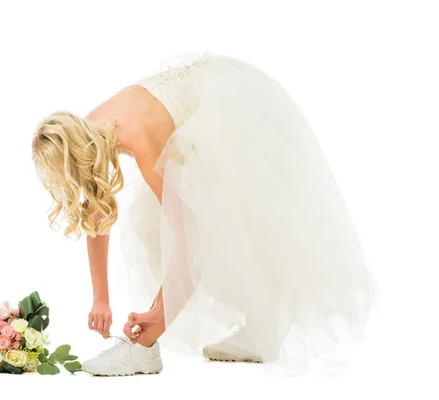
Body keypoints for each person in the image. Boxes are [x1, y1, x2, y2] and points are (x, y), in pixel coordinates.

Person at [31, 51, 377, 377]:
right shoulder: (86, 129)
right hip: (196, 105)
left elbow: (188, 237)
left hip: (236, 112)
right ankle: (255, 331)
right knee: (181, 221)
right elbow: (95, 205)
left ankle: (145, 348)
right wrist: (100, 299)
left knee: (205, 222)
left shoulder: (140, 138)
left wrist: (158, 315)